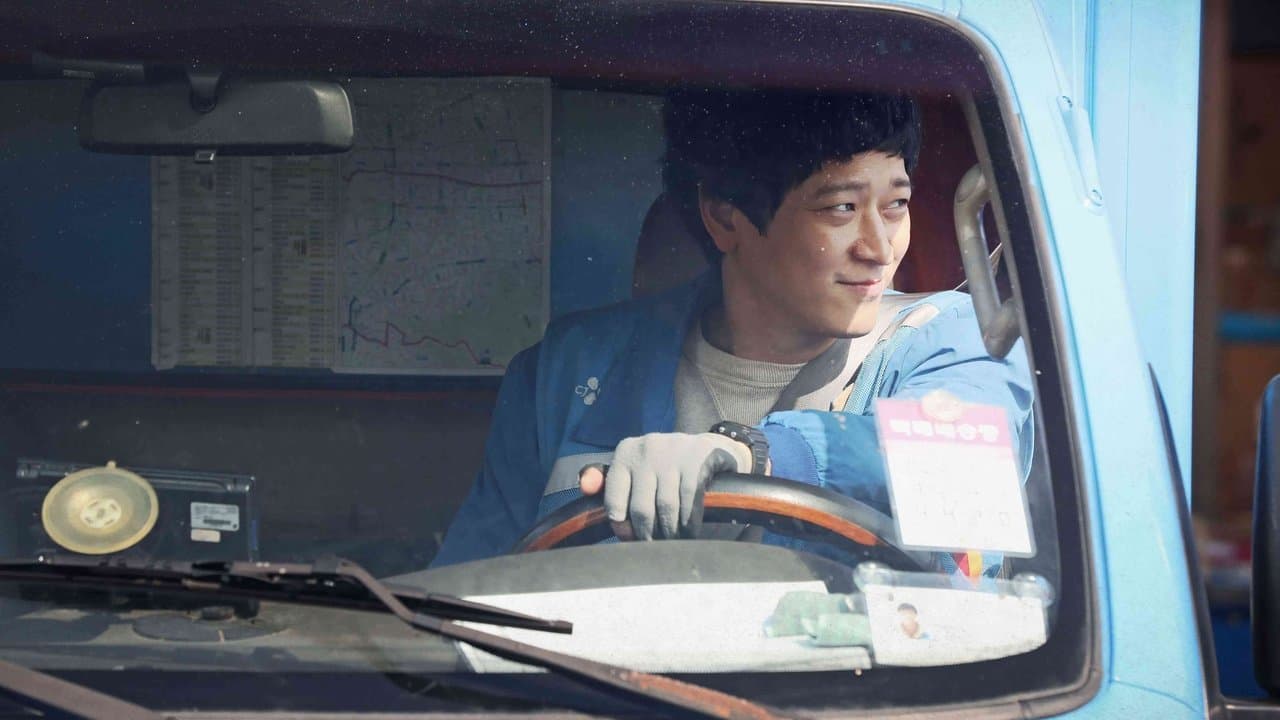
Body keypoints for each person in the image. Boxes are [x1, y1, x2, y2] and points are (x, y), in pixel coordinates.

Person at [431, 89, 1033, 567]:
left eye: (896, 205)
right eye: (841, 209)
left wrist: (754, 454)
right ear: (725, 217)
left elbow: (967, 460)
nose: (880, 248)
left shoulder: (956, 340)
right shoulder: (567, 369)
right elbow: (469, 590)